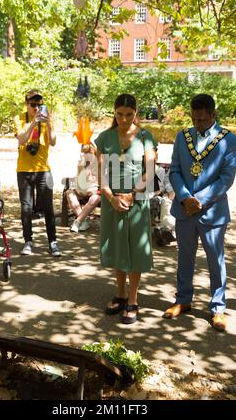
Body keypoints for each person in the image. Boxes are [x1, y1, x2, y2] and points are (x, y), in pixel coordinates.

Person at [163, 93, 236, 332]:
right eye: (195, 119)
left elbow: (227, 178)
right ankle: (183, 299)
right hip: (184, 209)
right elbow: (174, 170)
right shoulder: (181, 137)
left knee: (215, 260)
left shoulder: (230, 139)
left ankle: (217, 307)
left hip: (213, 211)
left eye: (203, 120)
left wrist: (200, 201)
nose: (198, 123)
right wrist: (185, 197)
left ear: (213, 115)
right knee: (185, 257)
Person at [95, 94, 156, 324]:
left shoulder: (146, 137)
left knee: (135, 249)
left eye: (129, 114)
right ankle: (120, 293)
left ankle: (133, 298)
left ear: (136, 113)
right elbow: (100, 174)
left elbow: (149, 171)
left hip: (137, 199)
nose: (124, 118)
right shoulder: (104, 138)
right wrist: (110, 198)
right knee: (118, 245)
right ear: (114, 112)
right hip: (112, 201)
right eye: (120, 114)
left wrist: (131, 195)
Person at [14, 89, 61, 257]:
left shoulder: (47, 120)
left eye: (39, 104)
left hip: (44, 170)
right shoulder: (20, 118)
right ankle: (28, 241)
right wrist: (33, 122)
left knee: (48, 207)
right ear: (27, 104)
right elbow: (21, 139)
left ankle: (53, 242)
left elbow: (53, 142)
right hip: (24, 170)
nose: (36, 108)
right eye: (33, 104)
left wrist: (48, 124)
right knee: (26, 208)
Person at [67, 143, 101, 232]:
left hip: (94, 192)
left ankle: (77, 222)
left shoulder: (99, 163)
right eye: (83, 153)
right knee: (69, 193)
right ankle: (83, 221)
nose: (84, 155)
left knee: (95, 198)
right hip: (81, 191)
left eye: (87, 153)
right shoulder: (81, 163)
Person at [151, 147, 176, 245]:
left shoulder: (159, 170)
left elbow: (159, 188)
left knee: (164, 201)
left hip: (188, 195)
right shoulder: (175, 165)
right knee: (166, 202)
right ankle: (166, 231)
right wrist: (171, 190)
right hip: (171, 194)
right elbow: (167, 180)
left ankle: (166, 231)